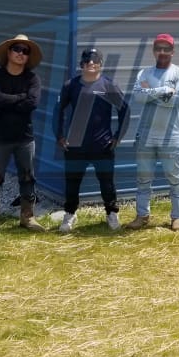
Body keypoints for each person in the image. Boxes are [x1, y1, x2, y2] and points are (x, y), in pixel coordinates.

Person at [52, 47, 129, 231]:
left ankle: (112, 214)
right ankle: (69, 215)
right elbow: (58, 111)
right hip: (75, 146)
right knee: (72, 183)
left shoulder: (108, 86)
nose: (91, 64)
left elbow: (124, 110)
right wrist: (60, 135)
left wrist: (118, 137)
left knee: (107, 183)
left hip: (102, 146)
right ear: (81, 65)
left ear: (101, 64)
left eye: (95, 61)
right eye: (87, 61)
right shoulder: (70, 86)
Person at [126, 33, 179, 230]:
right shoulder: (144, 73)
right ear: (154, 51)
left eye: (166, 49)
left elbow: (178, 101)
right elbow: (138, 97)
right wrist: (163, 91)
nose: (162, 52)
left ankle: (177, 217)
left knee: (174, 177)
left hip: (170, 136)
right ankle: (142, 216)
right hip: (146, 134)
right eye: (158, 48)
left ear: (173, 51)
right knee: (143, 178)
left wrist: (150, 93)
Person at [0, 33, 44, 231]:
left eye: (25, 51)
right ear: (8, 52)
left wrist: (10, 101)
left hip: (25, 138)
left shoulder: (32, 79)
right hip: (0, 138)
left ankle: (28, 218)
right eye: (17, 49)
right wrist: (20, 97)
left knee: (27, 177)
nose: (20, 53)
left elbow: (32, 103)